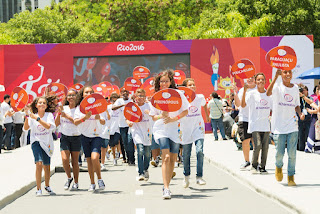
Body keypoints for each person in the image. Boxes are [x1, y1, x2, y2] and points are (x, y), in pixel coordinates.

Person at [149, 69, 189, 199]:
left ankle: (167, 184)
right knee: (165, 157)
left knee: (172, 159)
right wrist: (162, 115)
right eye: (162, 82)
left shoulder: (178, 94)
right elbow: (154, 117)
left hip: (175, 129)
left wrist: (173, 118)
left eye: (166, 81)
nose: (164, 83)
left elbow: (185, 111)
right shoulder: (156, 96)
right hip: (161, 129)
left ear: (171, 81)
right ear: (159, 83)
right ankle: (166, 188)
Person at [266, 69, 305, 186]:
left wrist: (300, 113)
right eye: (285, 72)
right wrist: (275, 77)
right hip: (279, 127)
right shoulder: (277, 87)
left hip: (292, 125)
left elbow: (297, 104)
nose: (288, 74)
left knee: (292, 153)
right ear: (281, 74)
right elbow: (268, 93)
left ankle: (291, 177)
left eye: (289, 72)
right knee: (279, 153)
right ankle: (278, 167)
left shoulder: (295, 89)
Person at [74, 86, 106, 192]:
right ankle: (92, 183)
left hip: (97, 135)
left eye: (91, 92)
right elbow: (76, 122)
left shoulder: (98, 105)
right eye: (86, 92)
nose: (88, 94)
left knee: (94, 158)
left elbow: (103, 121)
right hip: (84, 135)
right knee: (89, 160)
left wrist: (99, 118)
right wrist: (85, 118)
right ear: (82, 94)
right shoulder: (79, 108)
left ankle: (100, 179)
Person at [23, 95, 57, 196]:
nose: (42, 104)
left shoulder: (49, 115)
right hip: (36, 142)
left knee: (47, 167)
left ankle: (47, 185)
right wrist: (27, 116)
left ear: (46, 106)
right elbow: (25, 129)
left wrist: (37, 119)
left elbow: (48, 127)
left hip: (47, 143)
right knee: (39, 164)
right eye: (40, 103)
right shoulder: (32, 116)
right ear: (36, 105)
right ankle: (38, 189)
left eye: (44, 103)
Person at [180, 78, 209, 188]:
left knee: (199, 151)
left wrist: (206, 115)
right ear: (185, 88)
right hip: (186, 129)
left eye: (193, 85)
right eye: (190, 85)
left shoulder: (199, 97)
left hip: (198, 128)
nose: (192, 87)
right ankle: (186, 176)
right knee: (186, 155)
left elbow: (204, 104)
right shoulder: (182, 100)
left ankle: (199, 177)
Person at [241, 73, 272, 174]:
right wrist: (245, 90)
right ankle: (254, 165)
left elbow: (272, 109)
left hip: (265, 125)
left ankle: (262, 167)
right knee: (257, 145)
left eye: (262, 79)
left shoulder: (268, 94)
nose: (260, 81)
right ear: (255, 81)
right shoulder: (252, 94)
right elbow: (243, 105)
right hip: (254, 125)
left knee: (265, 147)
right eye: (258, 80)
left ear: (265, 81)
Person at [55, 89, 81, 190]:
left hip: (76, 136)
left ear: (77, 97)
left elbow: (76, 122)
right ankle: (69, 178)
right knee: (65, 160)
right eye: (69, 95)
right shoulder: (63, 108)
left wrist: (65, 115)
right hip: (65, 136)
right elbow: (56, 124)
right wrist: (59, 114)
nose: (70, 97)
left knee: (75, 162)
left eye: (73, 95)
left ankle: (76, 182)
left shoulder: (79, 109)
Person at [127, 89, 152, 181]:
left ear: (145, 97)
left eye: (142, 96)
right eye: (139, 96)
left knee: (147, 153)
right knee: (140, 150)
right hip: (137, 131)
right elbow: (127, 116)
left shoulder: (148, 106)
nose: (141, 97)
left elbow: (154, 115)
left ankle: (145, 169)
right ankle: (140, 173)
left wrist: (149, 113)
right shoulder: (133, 107)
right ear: (135, 97)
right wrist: (128, 122)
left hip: (147, 131)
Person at [233, 76, 256, 170]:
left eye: (252, 78)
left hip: (255, 119)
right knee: (245, 141)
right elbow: (238, 105)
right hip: (244, 118)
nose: (250, 80)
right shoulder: (242, 90)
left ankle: (256, 162)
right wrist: (235, 92)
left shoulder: (259, 90)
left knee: (256, 142)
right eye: (248, 78)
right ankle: (247, 161)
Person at [112, 88, 134, 165]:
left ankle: (132, 159)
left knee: (130, 141)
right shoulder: (119, 101)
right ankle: (128, 158)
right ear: (121, 93)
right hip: (122, 125)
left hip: (131, 124)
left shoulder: (131, 101)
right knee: (125, 143)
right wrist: (122, 105)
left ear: (128, 93)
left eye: (126, 91)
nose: (125, 93)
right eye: (123, 92)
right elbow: (113, 108)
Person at [108, 93, 121, 166]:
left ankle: (117, 152)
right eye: (113, 99)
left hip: (117, 128)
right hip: (110, 129)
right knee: (112, 145)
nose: (114, 100)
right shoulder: (108, 107)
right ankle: (114, 158)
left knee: (116, 141)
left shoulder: (120, 108)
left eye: (116, 98)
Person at [297, 85, 312, 151]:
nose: (302, 92)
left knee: (307, 136)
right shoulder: (298, 99)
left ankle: (308, 149)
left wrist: (303, 96)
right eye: (301, 90)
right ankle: (300, 149)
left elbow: (311, 102)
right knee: (300, 136)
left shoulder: (309, 98)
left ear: (307, 91)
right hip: (300, 120)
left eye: (304, 90)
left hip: (308, 120)